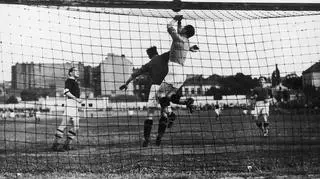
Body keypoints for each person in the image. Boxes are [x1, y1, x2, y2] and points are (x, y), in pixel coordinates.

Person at [120, 15, 198, 147]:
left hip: (158, 85)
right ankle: (160, 137)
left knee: (150, 114)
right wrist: (189, 46)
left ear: (149, 55)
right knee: (166, 107)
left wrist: (127, 83)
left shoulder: (149, 64)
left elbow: (135, 74)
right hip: (180, 75)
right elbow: (178, 47)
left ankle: (147, 139)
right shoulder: (166, 55)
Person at [51, 67, 82, 151]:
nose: (78, 72)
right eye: (76, 70)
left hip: (74, 105)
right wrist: (77, 99)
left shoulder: (75, 82)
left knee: (76, 126)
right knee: (64, 124)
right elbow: (66, 92)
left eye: (78, 70)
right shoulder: (69, 80)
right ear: (71, 73)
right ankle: (56, 145)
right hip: (70, 103)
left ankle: (67, 145)